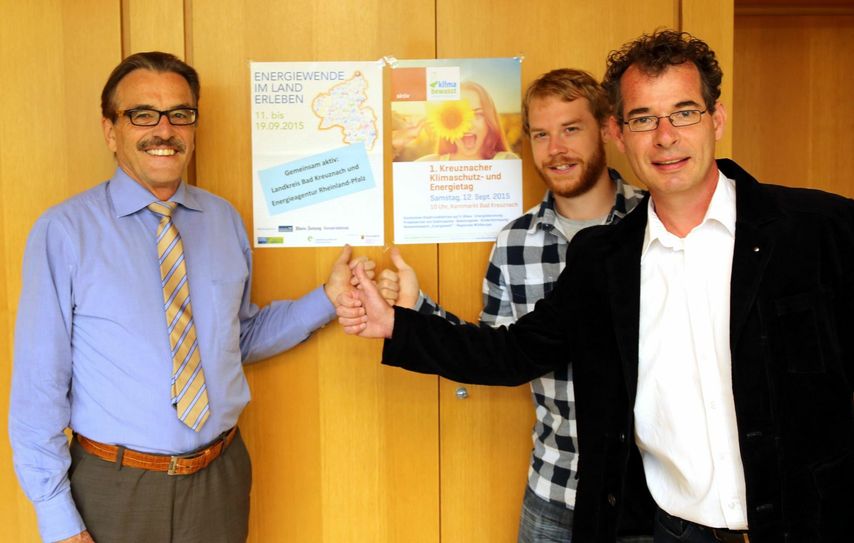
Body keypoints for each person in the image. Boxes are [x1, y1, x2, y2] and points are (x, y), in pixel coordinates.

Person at [339, 30, 854, 542]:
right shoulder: (603, 259)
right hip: (669, 532)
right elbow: (512, 353)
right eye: (644, 119)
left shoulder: (821, 229)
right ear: (620, 133)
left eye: (683, 113)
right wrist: (395, 324)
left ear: (715, 119)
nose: (665, 136)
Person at [9, 51, 372, 543]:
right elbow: (39, 385)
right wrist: (55, 515)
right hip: (114, 486)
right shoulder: (65, 231)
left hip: (220, 476)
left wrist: (328, 298)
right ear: (111, 131)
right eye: (143, 114)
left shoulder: (222, 219)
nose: (165, 130)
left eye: (180, 114)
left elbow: (236, 339)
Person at [378, 68, 646, 542]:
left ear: (607, 129)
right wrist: (414, 307)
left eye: (571, 129)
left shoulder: (653, 224)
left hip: (646, 500)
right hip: (554, 489)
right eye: (541, 134)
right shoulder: (515, 241)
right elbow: (497, 352)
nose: (556, 148)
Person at [416, 81, 518, 161]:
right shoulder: (426, 164)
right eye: (458, 116)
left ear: (489, 121)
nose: (468, 125)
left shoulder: (507, 161)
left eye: (478, 114)